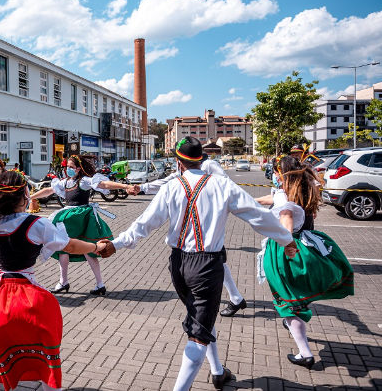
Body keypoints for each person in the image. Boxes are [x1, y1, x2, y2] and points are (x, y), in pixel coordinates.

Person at [97, 137, 297, 391]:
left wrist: (117, 243)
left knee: (201, 320)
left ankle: (217, 371)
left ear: (178, 162)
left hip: (177, 265)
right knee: (198, 333)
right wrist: (286, 239)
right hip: (207, 266)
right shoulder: (223, 185)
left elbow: (144, 223)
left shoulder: (171, 187)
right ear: (201, 160)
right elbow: (257, 217)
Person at [0, 170, 106, 391]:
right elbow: (71, 245)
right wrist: (97, 247)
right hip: (28, 297)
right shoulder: (36, 223)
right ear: (24, 194)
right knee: (45, 355)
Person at [256, 156, 354, 369]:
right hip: (308, 243)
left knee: (288, 302)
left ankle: (305, 353)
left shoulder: (286, 199)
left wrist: (287, 244)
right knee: (296, 297)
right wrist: (250, 203)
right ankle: (296, 321)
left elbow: (286, 218)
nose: (274, 176)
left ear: (283, 175)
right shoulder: (300, 190)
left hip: (287, 248)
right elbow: (271, 198)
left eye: (276, 172)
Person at [126, 152, 248, 317]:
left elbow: (226, 184)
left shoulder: (209, 165)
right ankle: (235, 298)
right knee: (217, 261)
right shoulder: (185, 168)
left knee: (216, 260)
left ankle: (231, 299)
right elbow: (168, 181)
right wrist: (143, 188)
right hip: (194, 220)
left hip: (208, 220)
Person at [30, 154, 129, 295]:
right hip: (70, 218)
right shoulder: (65, 182)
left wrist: (124, 186)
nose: (68, 169)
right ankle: (63, 281)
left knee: (89, 250)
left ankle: (99, 284)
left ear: (78, 169)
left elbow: (104, 184)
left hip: (83, 218)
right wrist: (30, 196)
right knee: (63, 248)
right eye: (67, 167)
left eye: (71, 167)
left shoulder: (84, 181)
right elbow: (48, 190)